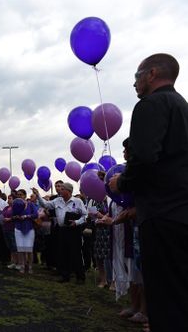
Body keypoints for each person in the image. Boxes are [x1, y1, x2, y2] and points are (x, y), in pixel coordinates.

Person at [109, 53, 188, 331]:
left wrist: (122, 182)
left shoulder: (150, 105)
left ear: (151, 73)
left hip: (160, 212)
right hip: (180, 211)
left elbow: (143, 158)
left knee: (163, 294)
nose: (135, 84)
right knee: (179, 291)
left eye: (137, 76)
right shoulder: (182, 106)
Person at [32, 183, 87, 284]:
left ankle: (80, 277)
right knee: (63, 253)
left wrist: (77, 222)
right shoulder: (57, 200)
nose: (60, 190)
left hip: (74, 230)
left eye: (62, 189)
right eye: (60, 189)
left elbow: (85, 215)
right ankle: (65, 275)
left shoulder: (77, 201)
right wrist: (38, 195)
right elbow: (45, 204)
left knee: (76, 254)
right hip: (62, 230)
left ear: (69, 191)